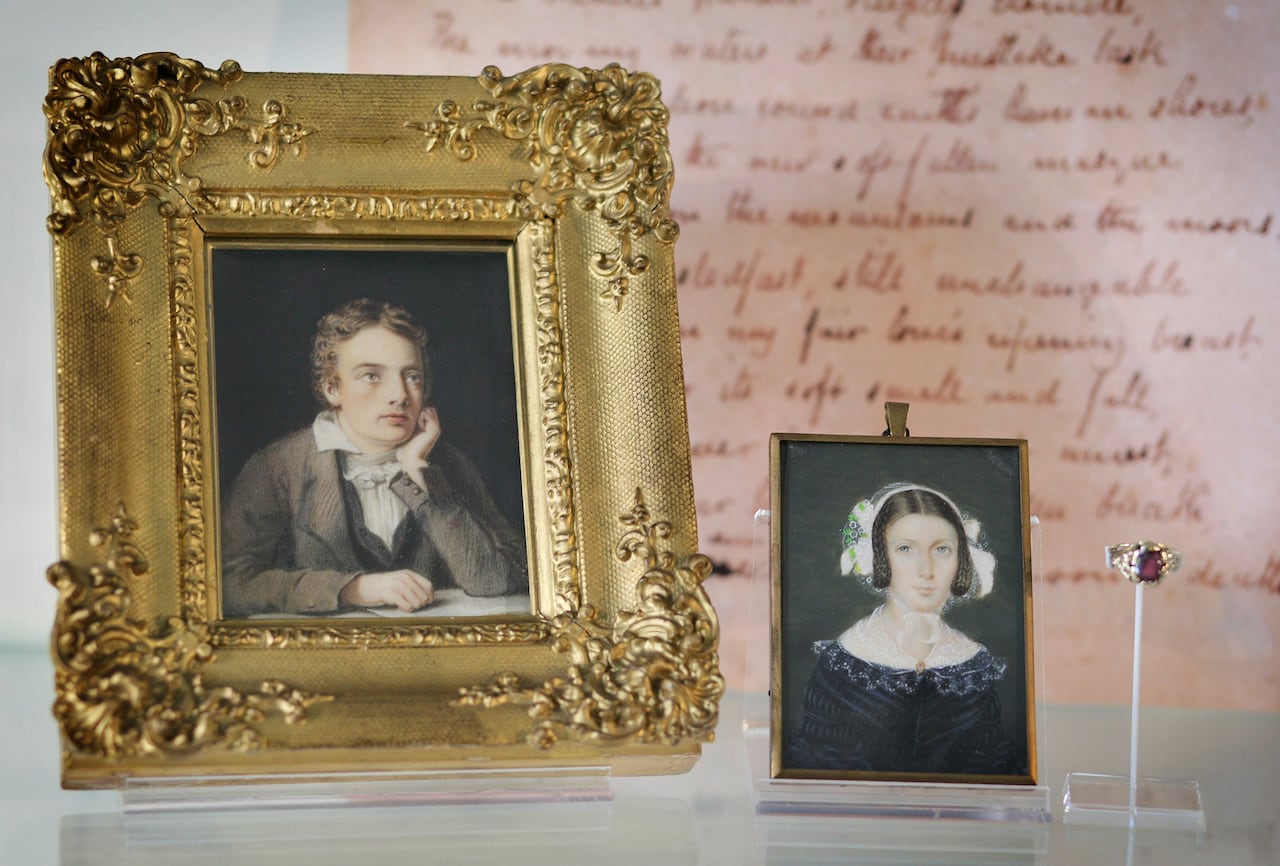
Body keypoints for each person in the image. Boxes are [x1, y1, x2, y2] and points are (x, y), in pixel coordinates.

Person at [220, 298, 527, 617]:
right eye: (372, 375)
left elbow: (502, 580)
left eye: (412, 377)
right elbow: (227, 582)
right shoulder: (279, 466)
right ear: (331, 388)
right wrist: (353, 589)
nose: (399, 395)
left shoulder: (447, 464)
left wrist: (420, 473)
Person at [788, 483, 1019, 776]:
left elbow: (994, 769)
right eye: (905, 549)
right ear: (880, 556)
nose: (926, 569)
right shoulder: (844, 663)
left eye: (942, 549)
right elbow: (816, 764)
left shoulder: (973, 666)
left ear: (961, 559)